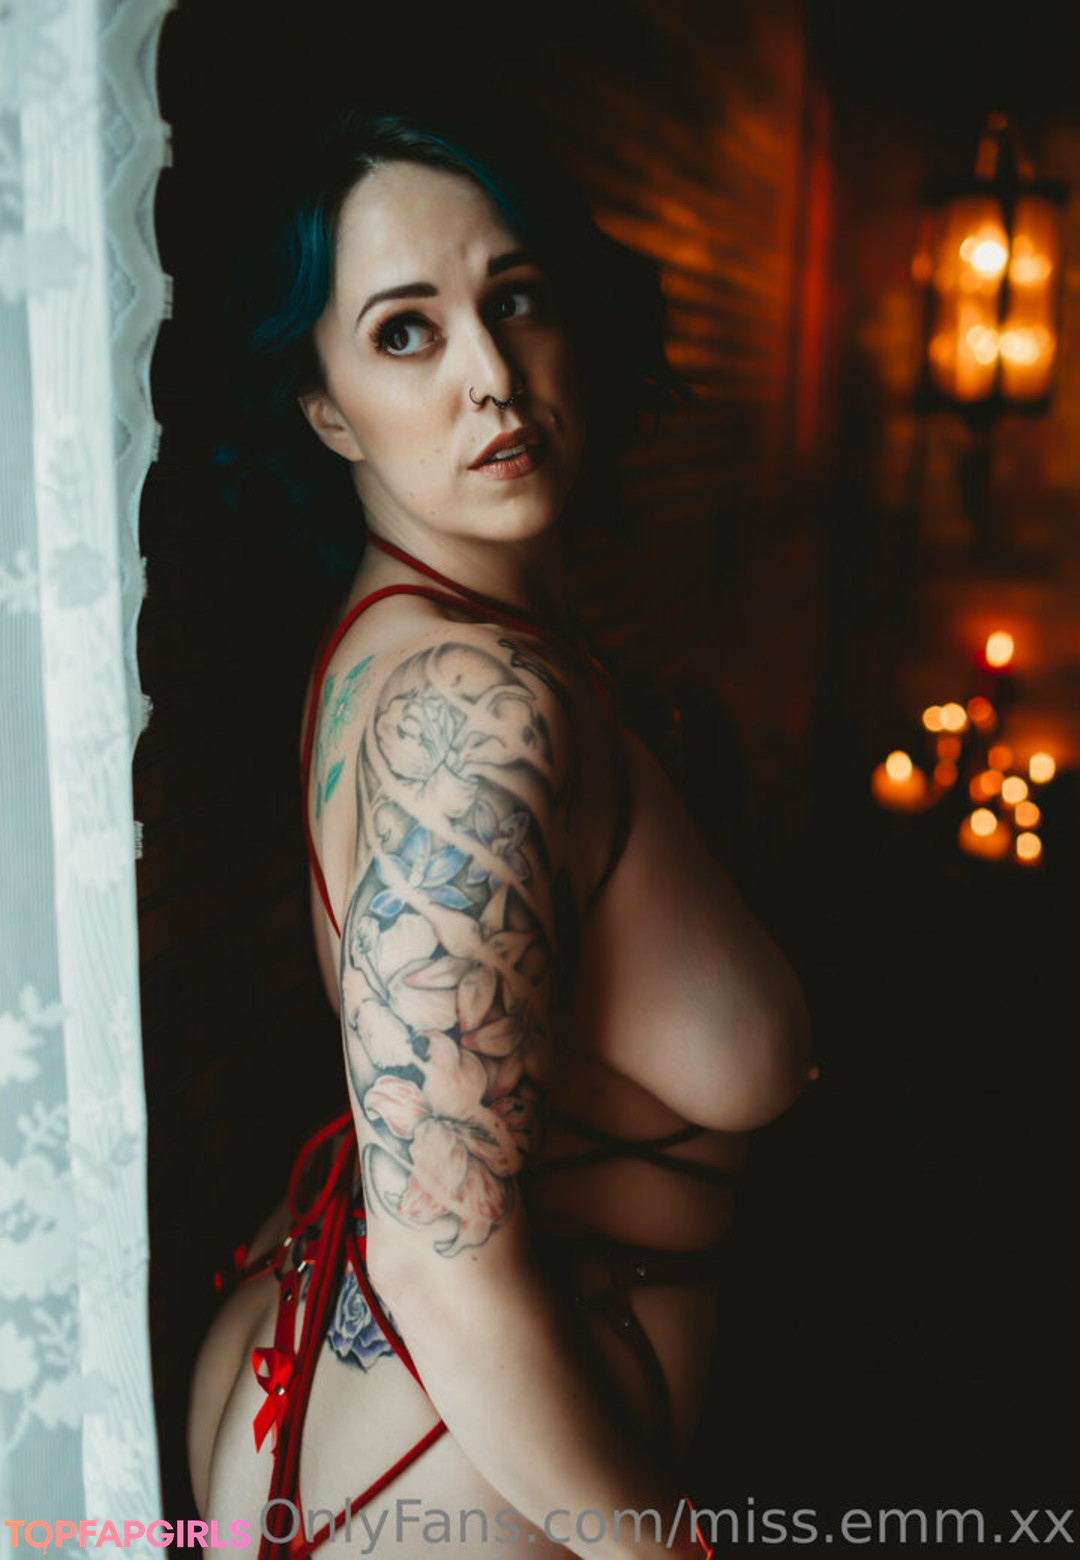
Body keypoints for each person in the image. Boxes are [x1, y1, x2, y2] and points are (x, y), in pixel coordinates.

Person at [187, 110, 814, 1560]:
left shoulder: (417, 638)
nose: (491, 374)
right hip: (458, 1477)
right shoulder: (474, 707)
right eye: (405, 332)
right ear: (325, 408)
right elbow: (441, 1265)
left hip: (388, 1419)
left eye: (514, 299)